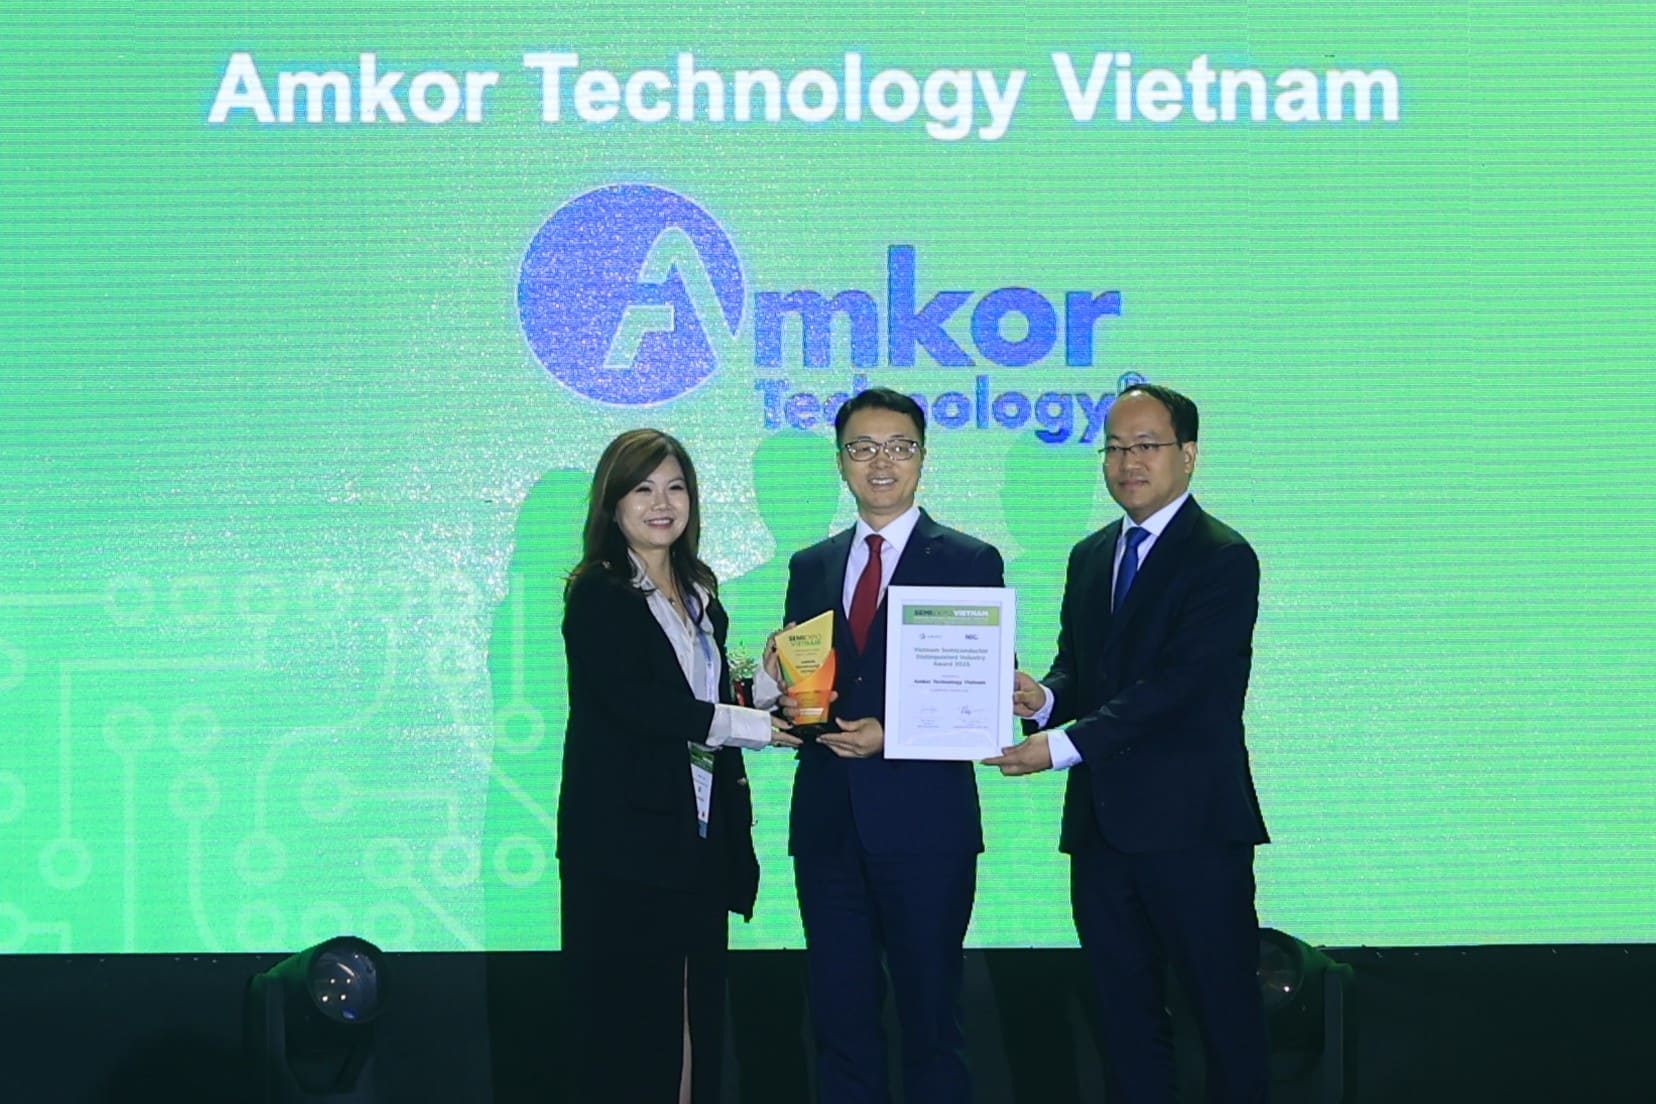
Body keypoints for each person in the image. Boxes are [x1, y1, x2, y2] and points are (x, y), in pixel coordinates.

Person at [986, 383, 1271, 1104]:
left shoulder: (1222, 558)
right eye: (1114, 447)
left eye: (1146, 446)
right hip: (1104, 836)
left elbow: (1181, 687)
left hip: (1194, 834)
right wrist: (1043, 699)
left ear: (1188, 456)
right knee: (1124, 1024)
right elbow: (1087, 673)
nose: (1126, 462)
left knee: (1225, 1021)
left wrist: (1060, 746)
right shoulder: (1090, 556)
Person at [759, 387, 1006, 1104]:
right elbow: (809, 688)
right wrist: (774, 691)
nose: (881, 463)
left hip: (927, 825)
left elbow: (977, 700)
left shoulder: (968, 560)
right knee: (839, 1021)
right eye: (863, 448)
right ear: (841, 462)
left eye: (898, 447)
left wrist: (892, 736)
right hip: (829, 826)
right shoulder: (811, 565)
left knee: (932, 1021)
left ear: (923, 459)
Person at [556, 428, 800, 1104]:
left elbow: (708, 694)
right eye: (642, 489)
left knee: (695, 1011)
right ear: (612, 503)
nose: (661, 503)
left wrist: (774, 690)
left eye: (675, 487)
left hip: (696, 838)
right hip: (623, 849)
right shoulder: (599, 594)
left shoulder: (698, 592)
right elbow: (641, 706)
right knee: (633, 1024)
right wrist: (749, 726)